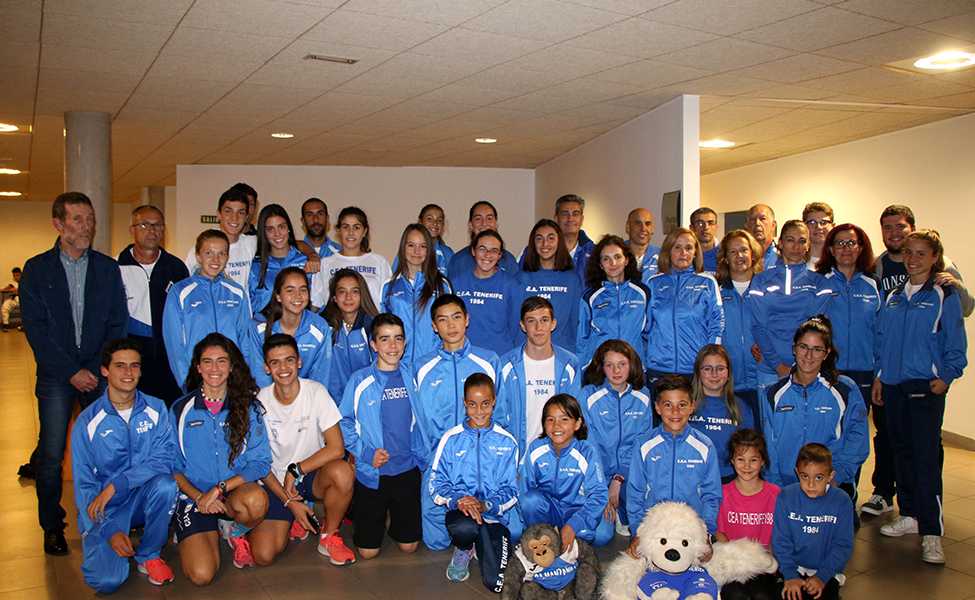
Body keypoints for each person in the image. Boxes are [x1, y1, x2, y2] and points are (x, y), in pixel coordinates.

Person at [20, 191, 128, 555]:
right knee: (51, 456)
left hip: (98, 373)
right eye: (78, 219)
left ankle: (108, 521)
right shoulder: (37, 270)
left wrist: (98, 367)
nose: (86, 226)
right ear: (58, 224)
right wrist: (70, 371)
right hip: (57, 376)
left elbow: (117, 322)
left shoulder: (107, 268)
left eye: (90, 219)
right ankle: (53, 526)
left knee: (107, 452)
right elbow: (36, 330)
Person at [874, 229, 967, 564]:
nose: (913, 259)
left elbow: (955, 341)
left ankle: (931, 531)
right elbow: (883, 340)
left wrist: (947, 376)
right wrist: (880, 376)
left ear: (934, 257)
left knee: (925, 459)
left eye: (921, 253)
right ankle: (910, 514)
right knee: (901, 454)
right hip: (894, 386)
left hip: (925, 387)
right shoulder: (894, 295)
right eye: (909, 253)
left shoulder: (944, 294)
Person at [71, 339, 178, 593]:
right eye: (120, 366)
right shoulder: (87, 422)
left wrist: (118, 484)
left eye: (134, 366)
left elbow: (165, 458)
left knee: (166, 485)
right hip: (105, 508)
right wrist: (109, 530)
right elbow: (84, 486)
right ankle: (108, 537)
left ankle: (149, 554)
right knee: (106, 582)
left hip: (143, 496)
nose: (128, 373)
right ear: (104, 370)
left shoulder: (156, 409)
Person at [170, 333, 271, 584]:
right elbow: (172, 466)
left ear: (231, 366)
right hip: (195, 497)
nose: (214, 368)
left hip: (233, 492)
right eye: (207, 361)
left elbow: (260, 462)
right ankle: (200, 531)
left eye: (222, 361)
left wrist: (219, 489)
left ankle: (234, 531)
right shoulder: (180, 409)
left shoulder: (248, 407)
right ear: (198, 367)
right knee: (202, 575)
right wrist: (199, 497)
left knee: (256, 501)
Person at [251, 334, 356, 566]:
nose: (283, 368)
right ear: (267, 368)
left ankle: (328, 536)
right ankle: (290, 516)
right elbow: (258, 463)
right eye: (275, 362)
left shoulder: (316, 392)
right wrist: (288, 501)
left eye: (289, 360)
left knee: (343, 472)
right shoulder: (259, 402)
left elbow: (337, 448)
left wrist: (296, 470)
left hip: (309, 475)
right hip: (275, 483)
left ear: (299, 362)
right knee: (263, 555)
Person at [413, 294, 501, 550]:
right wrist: (426, 459)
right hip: (438, 461)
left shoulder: (489, 361)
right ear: (434, 326)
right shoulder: (421, 367)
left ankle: (473, 540)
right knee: (436, 543)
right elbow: (416, 421)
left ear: (467, 320)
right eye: (443, 320)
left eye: (456, 317)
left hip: (480, 461)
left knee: (493, 530)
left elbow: (502, 413)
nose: (451, 325)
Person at [761, 316, 869, 509]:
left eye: (817, 349)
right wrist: (776, 487)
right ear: (794, 349)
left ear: (826, 353)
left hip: (830, 487)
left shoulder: (845, 390)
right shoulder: (772, 393)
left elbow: (858, 439)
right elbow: (768, 444)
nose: (809, 355)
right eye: (803, 347)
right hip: (786, 489)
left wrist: (836, 477)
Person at [340, 313, 424, 560]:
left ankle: (394, 518)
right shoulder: (360, 380)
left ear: (405, 342)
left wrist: (422, 455)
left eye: (398, 338)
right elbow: (343, 422)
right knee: (368, 552)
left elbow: (423, 421)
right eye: (385, 339)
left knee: (409, 547)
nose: (393, 346)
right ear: (374, 345)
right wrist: (366, 453)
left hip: (407, 469)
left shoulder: (412, 376)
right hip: (373, 471)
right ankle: (368, 515)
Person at [815, 224, 885, 514]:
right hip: (827, 373)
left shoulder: (872, 286)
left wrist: (879, 374)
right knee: (825, 436)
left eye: (851, 243)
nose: (846, 248)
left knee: (853, 439)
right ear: (830, 249)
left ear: (861, 248)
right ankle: (818, 499)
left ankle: (846, 499)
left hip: (863, 374)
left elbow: (882, 334)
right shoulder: (819, 283)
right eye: (840, 243)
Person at [430, 373, 518, 590]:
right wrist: (459, 500)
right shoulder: (451, 439)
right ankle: (464, 547)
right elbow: (436, 484)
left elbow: (512, 490)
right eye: (472, 404)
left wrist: (486, 505)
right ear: (464, 403)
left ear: (494, 401)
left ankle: (484, 543)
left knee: (496, 583)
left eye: (485, 404)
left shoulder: (507, 442)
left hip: (494, 516)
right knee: (463, 528)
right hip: (463, 514)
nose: (479, 411)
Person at [625, 375, 722, 539]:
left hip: (692, 528)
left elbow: (711, 495)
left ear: (692, 406)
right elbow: (635, 492)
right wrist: (637, 531)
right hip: (652, 528)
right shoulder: (643, 444)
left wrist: (706, 531)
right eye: (668, 405)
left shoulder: (705, 446)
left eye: (682, 405)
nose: (675, 412)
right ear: (657, 408)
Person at [747, 220, 830, 397]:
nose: (796, 246)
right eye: (790, 240)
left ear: (808, 245)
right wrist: (778, 366)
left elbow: (813, 329)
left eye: (802, 241)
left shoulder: (820, 283)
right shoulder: (761, 280)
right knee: (769, 415)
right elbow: (759, 326)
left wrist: (800, 367)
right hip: (769, 369)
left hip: (807, 369)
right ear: (781, 243)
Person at [579, 339, 653, 537]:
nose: (616, 371)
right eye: (609, 365)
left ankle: (624, 511)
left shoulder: (643, 396)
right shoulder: (588, 395)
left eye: (622, 364)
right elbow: (588, 445)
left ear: (632, 365)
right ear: (601, 367)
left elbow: (642, 444)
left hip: (629, 474)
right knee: (602, 536)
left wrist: (619, 478)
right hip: (597, 476)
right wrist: (601, 488)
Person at [520, 394, 613, 547]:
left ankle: (564, 537)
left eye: (564, 419)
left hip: (577, 510)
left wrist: (573, 525)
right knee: (529, 501)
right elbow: (525, 488)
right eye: (550, 420)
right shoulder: (536, 448)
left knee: (601, 536)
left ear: (577, 423)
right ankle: (543, 536)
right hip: (549, 509)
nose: (556, 426)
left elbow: (598, 494)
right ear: (544, 423)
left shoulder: (587, 452)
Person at [118, 205, 189, 404]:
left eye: (157, 225)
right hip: (132, 359)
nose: (152, 230)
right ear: (132, 230)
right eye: (144, 225)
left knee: (170, 411)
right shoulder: (115, 267)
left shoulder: (176, 267)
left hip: (169, 358)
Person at [163, 229, 251, 388]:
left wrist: (244, 377)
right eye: (209, 253)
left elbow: (245, 339)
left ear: (227, 257)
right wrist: (186, 382)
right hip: (196, 378)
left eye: (222, 253)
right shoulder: (180, 292)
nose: (215, 259)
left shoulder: (237, 292)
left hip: (232, 378)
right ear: (198, 256)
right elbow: (174, 344)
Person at [498, 296, 582, 452]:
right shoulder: (505, 365)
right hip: (517, 455)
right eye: (531, 321)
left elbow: (575, 415)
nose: (538, 327)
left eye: (544, 320)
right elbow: (499, 416)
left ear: (553, 324)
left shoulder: (570, 364)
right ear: (523, 326)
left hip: (556, 455)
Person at [772, 444, 853, 600]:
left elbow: (842, 545)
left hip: (826, 571)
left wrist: (822, 577)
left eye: (819, 477)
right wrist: (789, 574)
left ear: (830, 476)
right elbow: (780, 541)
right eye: (804, 476)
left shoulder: (842, 501)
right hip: (792, 568)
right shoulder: (786, 497)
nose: (811, 484)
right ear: (797, 473)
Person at [644, 227, 724, 383]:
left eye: (688, 248)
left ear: (695, 252)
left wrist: (708, 360)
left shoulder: (707, 282)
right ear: (668, 251)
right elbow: (645, 328)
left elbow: (716, 324)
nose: (683, 253)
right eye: (677, 247)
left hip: (695, 368)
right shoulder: (653, 283)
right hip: (659, 368)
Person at [714, 429, 781, 600]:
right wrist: (736, 559)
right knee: (736, 595)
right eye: (741, 459)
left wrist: (772, 560)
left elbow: (780, 535)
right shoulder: (723, 493)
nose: (747, 466)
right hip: (733, 566)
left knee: (761, 595)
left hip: (763, 565)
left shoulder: (776, 495)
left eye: (753, 460)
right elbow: (719, 534)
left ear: (763, 461)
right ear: (732, 460)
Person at [874, 204, 972, 315]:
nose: (894, 233)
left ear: (913, 229)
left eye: (900, 226)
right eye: (888, 227)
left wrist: (957, 286)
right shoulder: (873, 267)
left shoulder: (941, 264)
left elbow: (967, 309)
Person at [244, 267, 333, 389]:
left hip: (308, 396)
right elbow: (260, 376)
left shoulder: (320, 327)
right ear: (278, 296)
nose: (298, 295)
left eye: (303, 290)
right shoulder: (258, 327)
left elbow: (320, 377)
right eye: (290, 290)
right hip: (270, 396)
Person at [382, 224, 453, 369]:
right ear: (403, 248)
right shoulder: (388, 286)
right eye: (411, 245)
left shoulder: (442, 285)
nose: (416, 251)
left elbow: (449, 329)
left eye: (423, 246)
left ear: (429, 250)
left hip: (434, 366)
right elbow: (381, 330)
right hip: (399, 366)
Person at [577, 235, 649, 366]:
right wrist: (583, 370)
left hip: (634, 367)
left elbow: (651, 333)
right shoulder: (590, 297)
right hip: (602, 368)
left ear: (626, 260)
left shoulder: (642, 293)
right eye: (606, 259)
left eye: (617, 257)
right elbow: (582, 340)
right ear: (600, 264)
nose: (613, 263)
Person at [716, 230, 764, 422]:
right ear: (725, 258)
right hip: (728, 382)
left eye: (744, 250)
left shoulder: (766, 289)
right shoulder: (716, 291)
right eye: (733, 252)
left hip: (762, 378)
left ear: (753, 253)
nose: (739, 256)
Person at [689, 345, 754, 483]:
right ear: (698, 373)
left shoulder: (741, 407)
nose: (714, 374)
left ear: (728, 373)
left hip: (730, 478)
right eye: (707, 369)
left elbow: (749, 449)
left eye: (720, 368)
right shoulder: (685, 405)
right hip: (692, 477)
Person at [451, 229, 521, 355]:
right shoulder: (456, 283)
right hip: (465, 356)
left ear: (499, 255)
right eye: (482, 249)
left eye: (494, 250)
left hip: (499, 356)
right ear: (473, 251)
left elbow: (515, 327)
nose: (487, 255)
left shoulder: (511, 285)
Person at [516, 219, 581, 350]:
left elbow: (576, 322)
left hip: (563, 351)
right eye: (539, 239)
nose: (545, 244)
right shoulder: (521, 278)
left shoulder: (571, 279)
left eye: (551, 238)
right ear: (533, 243)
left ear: (559, 242)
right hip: (529, 352)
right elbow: (516, 320)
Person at [314, 206, 391, 307]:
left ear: (364, 231)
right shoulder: (325, 264)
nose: (351, 232)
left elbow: (388, 302)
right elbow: (316, 304)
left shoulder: (380, 262)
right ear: (339, 230)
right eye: (345, 227)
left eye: (356, 227)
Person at [185, 187, 257, 293]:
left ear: (246, 217)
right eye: (228, 211)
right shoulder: (204, 246)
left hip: (242, 303)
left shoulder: (252, 243)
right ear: (219, 214)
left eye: (240, 213)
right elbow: (186, 283)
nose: (234, 218)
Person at [321, 268, 378, 400]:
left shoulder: (373, 326)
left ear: (362, 295)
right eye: (342, 291)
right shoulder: (323, 326)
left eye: (355, 291)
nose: (348, 297)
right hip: (330, 402)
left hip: (366, 400)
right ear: (334, 297)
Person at [249, 204, 310, 316]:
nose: (277, 234)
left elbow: (315, 303)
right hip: (264, 325)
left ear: (288, 228)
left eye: (281, 227)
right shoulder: (255, 267)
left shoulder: (306, 261)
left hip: (300, 325)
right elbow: (250, 306)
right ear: (264, 233)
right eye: (270, 229)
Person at [447, 201, 519, 278]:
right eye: (478, 219)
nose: (484, 223)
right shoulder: (458, 261)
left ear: (496, 224)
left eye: (489, 218)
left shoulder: (509, 260)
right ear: (470, 225)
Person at [554, 194, 595, 284]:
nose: (570, 218)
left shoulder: (595, 253)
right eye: (565, 214)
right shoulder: (543, 250)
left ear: (582, 219)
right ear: (556, 218)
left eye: (575, 214)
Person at [625, 208, 661, 284]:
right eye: (638, 223)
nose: (643, 228)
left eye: (647, 224)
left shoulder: (663, 256)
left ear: (652, 229)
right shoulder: (617, 254)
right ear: (628, 227)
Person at [419, 203, 454, 273]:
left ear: (443, 225)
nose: (435, 223)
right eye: (429, 219)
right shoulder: (410, 250)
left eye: (439, 220)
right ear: (420, 222)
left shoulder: (447, 253)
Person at [745, 204, 779, 269]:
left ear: (773, 225)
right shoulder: (741, 257)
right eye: (752, 219)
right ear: (747, 226)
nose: (757, 223)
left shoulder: (783, 256)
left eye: (763, 219)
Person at [803, 202, 834, 271]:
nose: (818, 227)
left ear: (833, 226)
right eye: (812, 222)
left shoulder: (842, 262)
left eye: (824, 222)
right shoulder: (794, 260)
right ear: (804, 226)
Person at [690, 207, 719, 274]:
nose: (706, 227)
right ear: (692, 228)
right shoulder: (683, 255)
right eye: (700, 223)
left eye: (710, 223)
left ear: (716, 227)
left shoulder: (725, 255)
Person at [1, 266, 20, 331]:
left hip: (23, 300)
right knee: (5, 305)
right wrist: (10, 290)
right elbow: (5, 289)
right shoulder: (13, 283)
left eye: (17, 275)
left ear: (21, 274)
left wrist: (17, 291)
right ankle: (6, 325)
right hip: (14, 299)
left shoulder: (25, 282)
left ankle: (24, 325)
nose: (16, 277)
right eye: (14, 276)